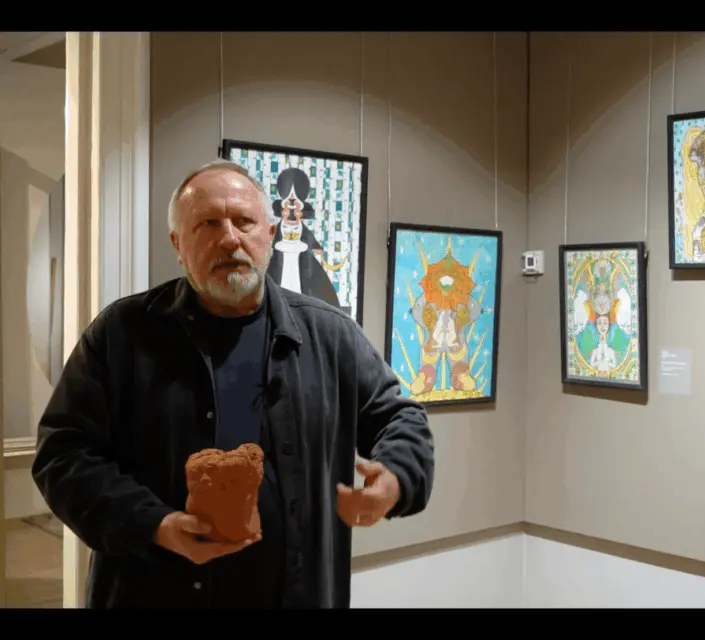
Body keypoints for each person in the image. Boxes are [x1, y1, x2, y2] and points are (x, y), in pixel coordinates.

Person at [31, 159, 435, 608]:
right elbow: (62, 455)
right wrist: (154, 525)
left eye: (244, 221)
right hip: (152, 593)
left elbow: (400, 417)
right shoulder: (121, 334)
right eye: (207, 224)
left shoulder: (330, 335)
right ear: (177, 243)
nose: (229, 238)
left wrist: (396, 477)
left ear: (269, 234)